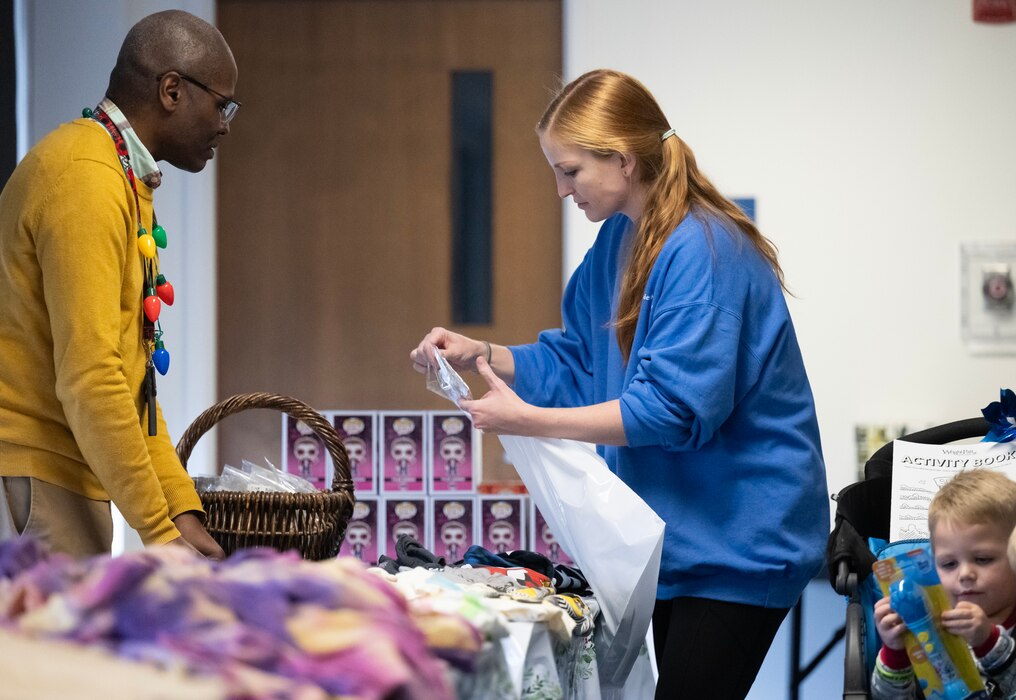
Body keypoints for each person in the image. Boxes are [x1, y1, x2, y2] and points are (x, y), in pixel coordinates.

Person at [410, 68, 829, 698]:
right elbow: (581, 361)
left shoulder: (706, 250)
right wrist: (483, 354)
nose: (559, 189)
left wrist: (524, 421)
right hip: (675, 542)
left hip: (737, 544)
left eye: (570, 170)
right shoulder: (619, 242)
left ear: (624, 160)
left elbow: (671, 413)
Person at [0, 10, 238, 559]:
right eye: (222, 103)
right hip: (38, 473)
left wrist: (180, 510)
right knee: (54, 648)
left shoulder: (119, 175)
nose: (225, 124)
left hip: (65, 471)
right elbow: (90, 379)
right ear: (172, 91)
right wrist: (159, 530)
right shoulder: (85, 178)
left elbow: (134, 386)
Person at [871, 469, 1016, 698]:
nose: (965, 574)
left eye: (983, 559)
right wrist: (895, 650)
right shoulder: (927, 621)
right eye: (949, 564)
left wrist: (988, 642)